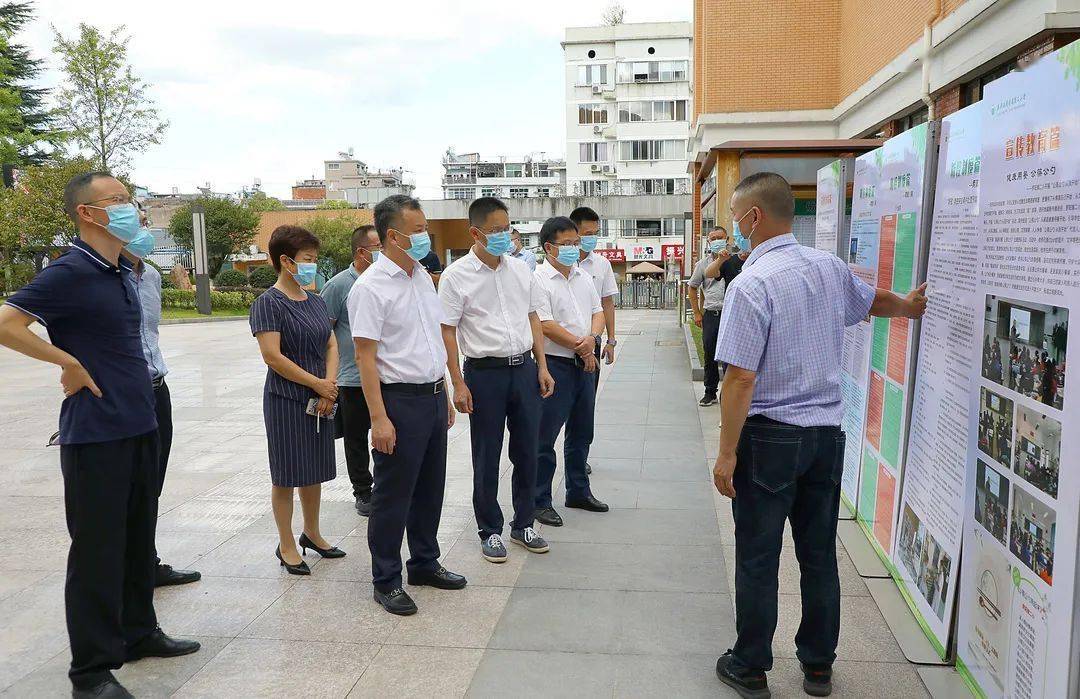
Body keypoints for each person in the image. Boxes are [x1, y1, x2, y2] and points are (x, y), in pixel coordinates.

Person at [710, 173, 927, 698]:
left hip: (770, 438)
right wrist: (907, 306)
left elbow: (739, 377)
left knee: (759, 555)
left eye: (736, 219)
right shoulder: (827, 267)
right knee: (818, 553)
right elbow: (870, 300)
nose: (734, 230)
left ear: (754, 217)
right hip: (826, 437)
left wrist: (725, 454)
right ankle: (818, 666)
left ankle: (752, 664)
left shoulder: (751, 283)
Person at [0, 172, 199, 699]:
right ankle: (90, 672)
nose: (131, 209)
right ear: (88, 213)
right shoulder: (69, 271)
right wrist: (66, 361)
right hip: (96, 434)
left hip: (139, 422)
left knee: (137, 537)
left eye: (130, 200)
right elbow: (6, 324)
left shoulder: (121, 272)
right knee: (97, 549)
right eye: (118, 202)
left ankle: (138, 631)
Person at [347, 195, 466, 616]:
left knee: (430, 488)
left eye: (425, 228)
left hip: (431, 397)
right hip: (397, 401)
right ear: (392, 236)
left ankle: (424, 562)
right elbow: (365, 356)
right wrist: (379, 418)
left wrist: (447, 389)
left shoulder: (420, 277)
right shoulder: (371, 288)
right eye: (416, 230)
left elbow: (433, 338)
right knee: (393, 494)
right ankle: (386, 579)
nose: (424, 236)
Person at [440, 197, 556, 563]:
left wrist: (542, 365)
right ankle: (489, 529)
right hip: (484, 373)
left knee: (527, 450)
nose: (505, 236)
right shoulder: (456, 276)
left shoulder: (522, 270)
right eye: (496, 231)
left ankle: (523, 524)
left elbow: (534, 317)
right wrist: (457, 382)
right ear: (475, 233)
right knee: (486, 454)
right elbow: (447, 330)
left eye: (507, 228)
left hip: (523, 369)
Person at [250, 225, 345, 577]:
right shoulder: (267, 303)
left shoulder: (316, 301)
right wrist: (317, 384)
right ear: (286, 261)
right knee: (287, 474)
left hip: (322, 396)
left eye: (315, 260)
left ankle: (313, 533)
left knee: (313, 471)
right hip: (287, 399)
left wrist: (329, 385)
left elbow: (331, 344)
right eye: (308, 260)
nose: (313, 266)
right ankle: (286, 543)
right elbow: (272, 357)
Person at [120, 216, 202, 588]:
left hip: (156, 389)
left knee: (152, 482)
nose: (143, 231)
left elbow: (148, 333)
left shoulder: (150, 275)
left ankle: (146, 562)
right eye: (134, 223)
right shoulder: (98, 275)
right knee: (125, 488)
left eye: (144, 222)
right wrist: (70, 363)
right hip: (121, 396)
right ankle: (126, 570)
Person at [532, 216, 608, 527]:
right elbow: (545, 325)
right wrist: (583, 346)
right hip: (556, 366)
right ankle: (539, 500)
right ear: (549, 247)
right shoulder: (537, 279)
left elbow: (598, 312)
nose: (575, 249)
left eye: (577, 243)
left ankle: (578, 490)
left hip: (584, 365)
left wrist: (592, 340)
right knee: (544, 437)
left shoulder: (583, 277)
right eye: (567, 244)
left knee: (581, 432)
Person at [321, 225, 383, 516]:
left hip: (386, 376)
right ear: (361, 252)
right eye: (377, 248)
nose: (383, 252)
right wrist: (327, 379)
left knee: (385, 434)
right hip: (352, 379)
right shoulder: (338, 286)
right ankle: (363, 491)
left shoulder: (386, 280)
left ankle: (384, 486)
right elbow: (323, 333)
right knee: (356, 438)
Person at [570, 206, 618, 476]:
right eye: (587, 233)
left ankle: (579, 456)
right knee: (560, 405)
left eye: (595, 234)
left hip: (594, 341)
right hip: (562, 346)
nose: (592, 239)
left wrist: (609, 340)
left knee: (586, 404)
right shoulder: (558, 261)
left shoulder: (601, 264)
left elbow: (607, 303)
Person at [688, 227, 732, 406]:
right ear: (708, 242)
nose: (716, 241)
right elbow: (692, 287)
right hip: (711, 315)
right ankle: (710, 391)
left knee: (731, 356)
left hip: (731, 315)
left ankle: (729, 394)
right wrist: (697, 313)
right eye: (713, 239)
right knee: (710, 354)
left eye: (720, 238)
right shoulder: (702, 264)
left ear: (727, 239)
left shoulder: (735, 261)